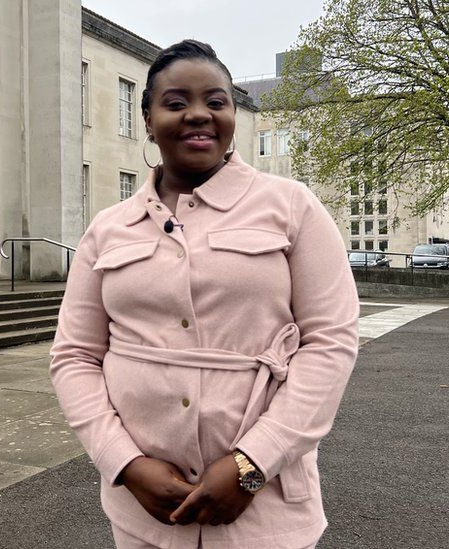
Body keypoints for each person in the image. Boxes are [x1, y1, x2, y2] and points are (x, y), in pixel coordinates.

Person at [50, 39, 358, 549]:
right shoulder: (107, 230)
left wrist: (253, 464)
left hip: (267, 510)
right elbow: (75, 356)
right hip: (146, 514)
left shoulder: (291, 206)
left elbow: (330, 343)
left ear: (233, 114)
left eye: (216, 102)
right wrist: (123, 463)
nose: (199, 115)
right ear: (147, 119)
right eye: (175, 103)